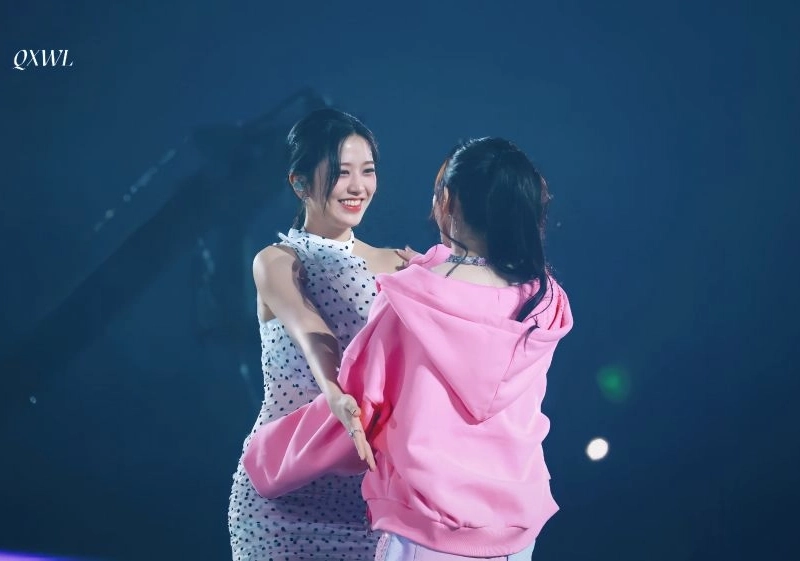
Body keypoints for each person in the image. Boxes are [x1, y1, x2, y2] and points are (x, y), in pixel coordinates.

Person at [242, 137, 575, 560]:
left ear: (448, 201)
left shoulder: (408, 301)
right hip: (517, 531)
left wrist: (267, 459)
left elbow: (359, 411)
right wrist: (435, 266)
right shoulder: (545, 301)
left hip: (428, 528)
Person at [227, 107, 408, 560]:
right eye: (342, 173)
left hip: (367, 499)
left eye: (367, 171)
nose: (358, 186)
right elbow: (312, 332)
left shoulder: (402, 265)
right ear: (300, 183)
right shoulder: (278, 261)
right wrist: (334, 392)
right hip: (284, 495)